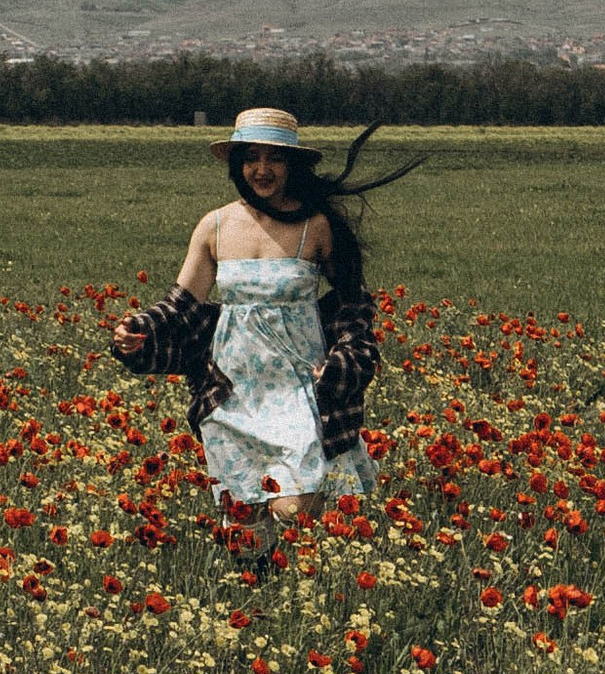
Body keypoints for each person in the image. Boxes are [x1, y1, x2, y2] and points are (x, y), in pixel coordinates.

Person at [109, 105, 415, 531]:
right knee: (244, 519)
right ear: (238, 164)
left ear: (292, 164)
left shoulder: (317, 227)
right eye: (251, 158)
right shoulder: (214, 226)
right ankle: (263, 587)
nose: (262, 169)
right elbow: (181, 303)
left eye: (274, 158)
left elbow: (352, 304)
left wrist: (344, 361)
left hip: (299, 390)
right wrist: (138, 328)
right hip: (233, 392)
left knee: (293, 509)